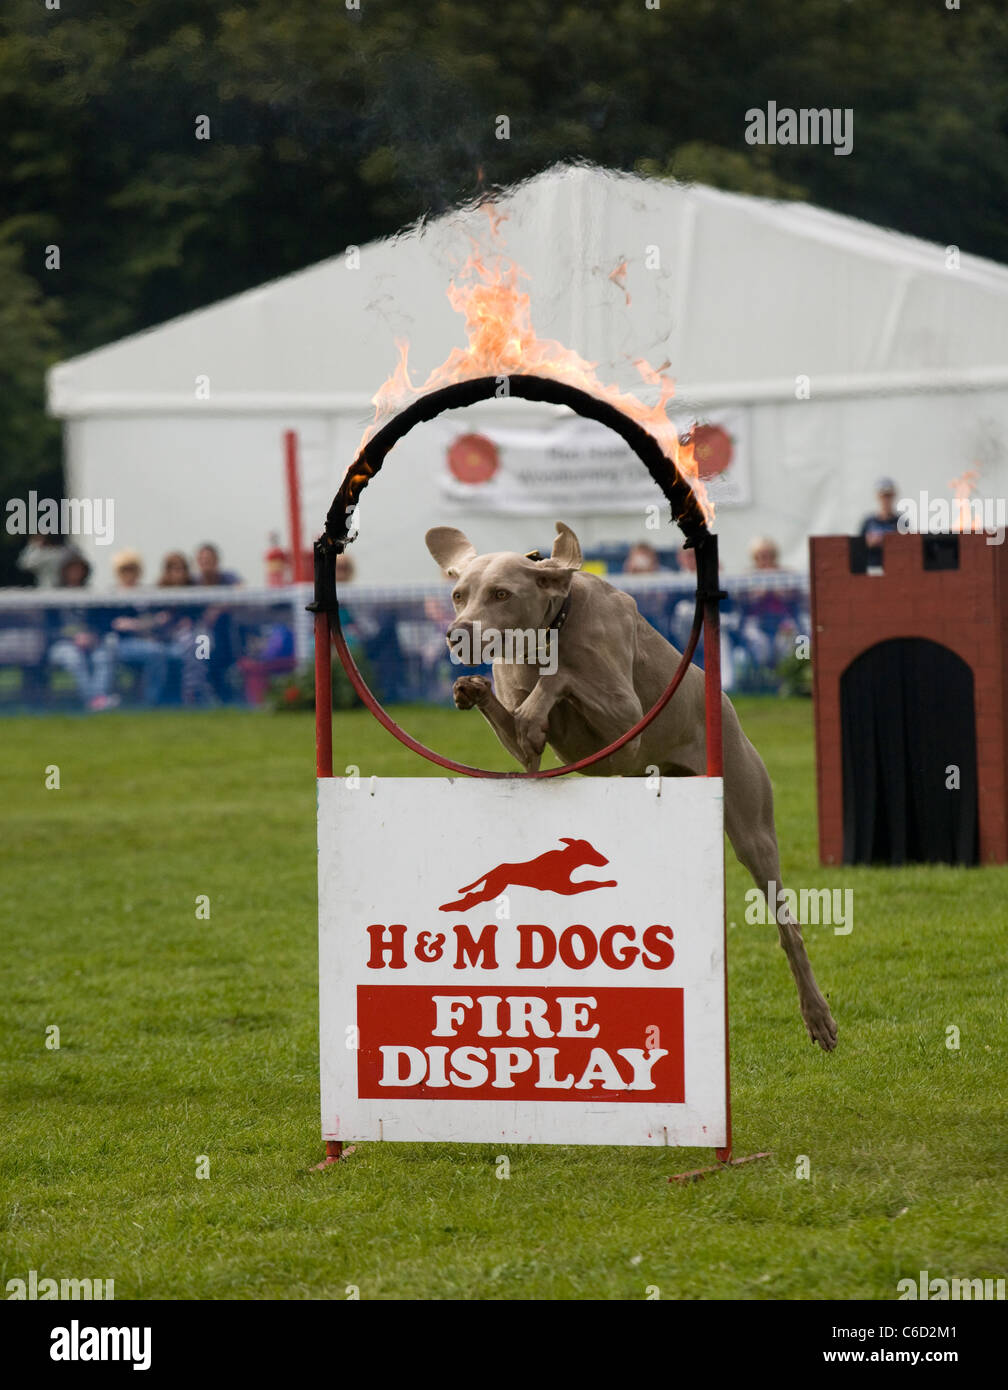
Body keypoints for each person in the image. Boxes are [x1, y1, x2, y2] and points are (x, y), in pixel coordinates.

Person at [859, 478, 902, 565]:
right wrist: (868, 542)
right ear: (877, 497)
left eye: (888, 496)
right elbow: (858, 546)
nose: (886, 500)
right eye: (883, 496)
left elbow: (906, 545)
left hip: (894, 566)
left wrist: (886, 541)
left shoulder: (900, 521)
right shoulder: (868, 522)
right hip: (872, 567)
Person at [16, 536, 82, 588]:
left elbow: (24, 563)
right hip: (47, 589)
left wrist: (33, 545)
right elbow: (23, 564)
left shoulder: (66, 551)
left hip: (62, 590)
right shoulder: (42, 553)